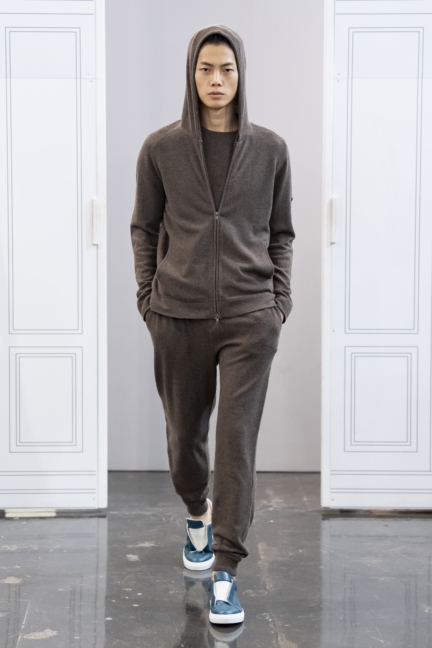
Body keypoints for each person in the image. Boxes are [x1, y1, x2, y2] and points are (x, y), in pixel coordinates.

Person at [130, 24, 295, 625]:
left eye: (227, 68)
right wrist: (149, 299)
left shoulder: (271, 150)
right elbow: (145, 228)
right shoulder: (160, 148)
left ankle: (225, 571)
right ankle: (196, 513)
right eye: (206, 69)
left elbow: (281, 233)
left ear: (240, 73)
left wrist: (279, 303)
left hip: (251, 317)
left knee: (236, 443)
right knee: (185, 442)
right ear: (192, 74)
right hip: (177, 315)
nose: (217, 79)